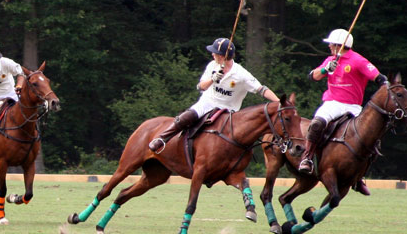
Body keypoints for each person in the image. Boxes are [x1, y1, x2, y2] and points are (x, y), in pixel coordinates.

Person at [148, 37, 280, 153]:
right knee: (185, 117)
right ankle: (162, 139)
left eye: (215, 52)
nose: (212, 54)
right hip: (207, 103)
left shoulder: (241, 74)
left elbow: (262, 89)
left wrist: (279, 102)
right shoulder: (213, 65)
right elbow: (200, 87)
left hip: (229, 112)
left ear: (222, 56)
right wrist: (212, 79)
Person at [298, 28, 388, 195]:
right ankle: (307, 158)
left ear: (340, 45)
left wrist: (386, 85)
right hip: (332, 103)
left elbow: (378, 76)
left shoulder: (358, 60)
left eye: (332, 44)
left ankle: (359, 177)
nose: (329, 46)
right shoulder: (330, 59)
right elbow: (313, 76)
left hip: (353, 106)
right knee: (317, 124)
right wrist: (326, 69)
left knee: (372, 140)